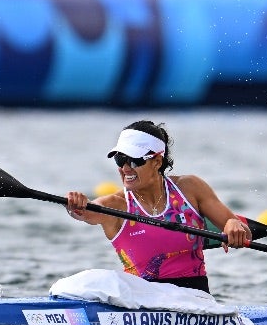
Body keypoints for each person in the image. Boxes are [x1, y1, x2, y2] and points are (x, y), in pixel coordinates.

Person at [65, 120, 251, 294]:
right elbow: (86, 213)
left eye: (135, 160)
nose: (126, 168)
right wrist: (76, 206)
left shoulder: (190, 188)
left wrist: (233, 226)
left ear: (157, 162)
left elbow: (240, 230)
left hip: (195, 300)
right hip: (143, 303)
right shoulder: (115, 205)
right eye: (120, 160)